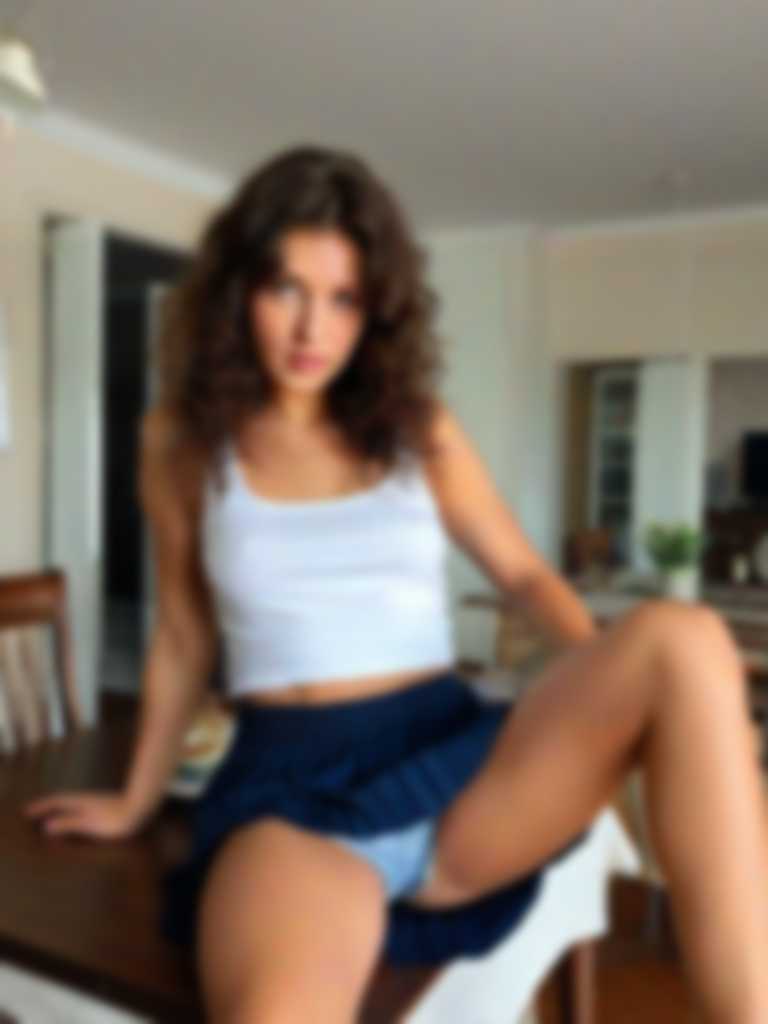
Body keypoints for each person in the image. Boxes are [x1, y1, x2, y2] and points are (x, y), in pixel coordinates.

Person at [23, 144, 768, 1023]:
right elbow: (185, 635)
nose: (313, 331)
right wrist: (137, 799)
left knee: (684, 636)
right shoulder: (180, 441)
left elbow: (524, 574)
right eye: (287, 289)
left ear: (377, 308)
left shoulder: (418, 427)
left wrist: (600, 697)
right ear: (236, 292)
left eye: (343, 298)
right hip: (294, 800)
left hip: (457, 769)